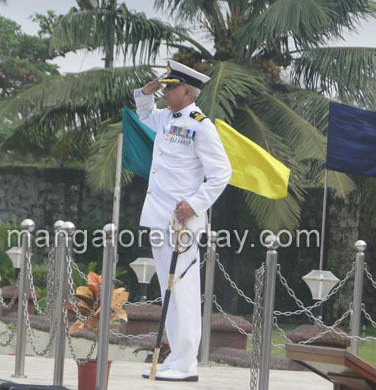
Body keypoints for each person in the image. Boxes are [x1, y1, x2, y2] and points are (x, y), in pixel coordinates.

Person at [134, 60, 232, 381]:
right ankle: (176, 357)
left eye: (171, 87)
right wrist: (144, 93)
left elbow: (221, 174)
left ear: (187, 92)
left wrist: (194, 204)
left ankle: (187, 362)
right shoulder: (165, 118)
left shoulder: (201, 125)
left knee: (185, 289)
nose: (166, 90)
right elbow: (145, 115)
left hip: (182, 223)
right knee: (168, 289)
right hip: (160, 217)